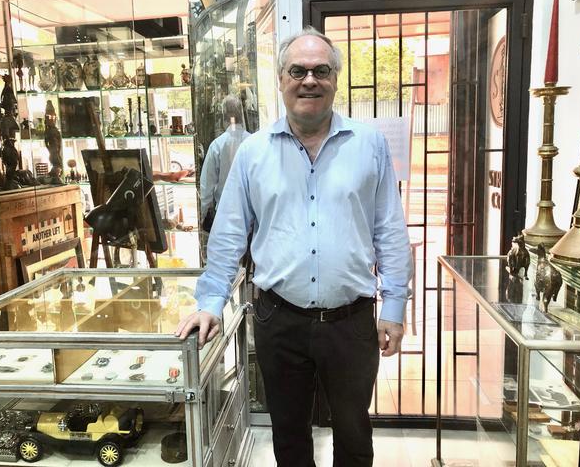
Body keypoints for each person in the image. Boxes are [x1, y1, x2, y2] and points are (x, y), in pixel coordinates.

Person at [176, 26, 412, 467]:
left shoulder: (369, 145)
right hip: (278, 320)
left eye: (321, 70)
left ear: (335, 80)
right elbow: (229, 234)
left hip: (352, 321)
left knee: (354, 433)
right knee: (288, 436)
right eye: (298, 71)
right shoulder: (253, 153)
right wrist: (210, 301)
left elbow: (390, 231)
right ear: (281, 80)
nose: (309, 80)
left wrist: (394, 307)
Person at [199, 94, 251, 232]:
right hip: (252, 214)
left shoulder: (217, 145)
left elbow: (207, 185)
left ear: (223, 116)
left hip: (224, 214)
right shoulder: (254, 143)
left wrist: (203, 214)